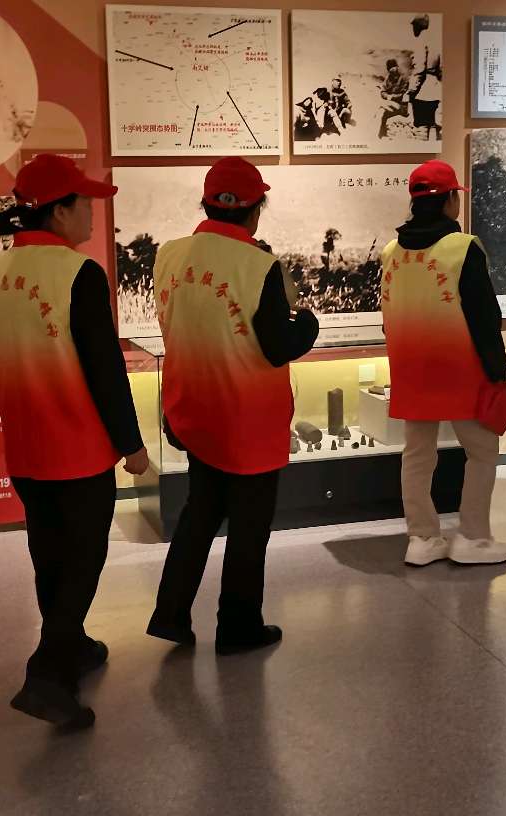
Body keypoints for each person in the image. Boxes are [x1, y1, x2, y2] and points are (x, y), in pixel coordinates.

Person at [0, 155, 148, 729]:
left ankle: (71, 644)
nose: (93, 214)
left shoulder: (0, 270)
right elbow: (105, 369)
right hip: (76, 448)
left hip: (25, 446)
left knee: (49, 555)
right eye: (86, 204)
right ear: (59, 211)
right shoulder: (78, 273)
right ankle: (47, 677)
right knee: (82, 560)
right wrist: (131, 444)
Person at [145, 158, 318, 654]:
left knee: (200, 511)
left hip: (192, 408)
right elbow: (278, 346)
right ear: (255, 209)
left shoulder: (169, 255)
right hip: (248, 419)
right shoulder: (259, 266)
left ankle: (170, 613)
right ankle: (238, 627)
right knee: (249, 525)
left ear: (207, 203)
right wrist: (308, 324)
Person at [382, 160, 506, 566]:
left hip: (410, 369)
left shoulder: (390, 253)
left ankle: (422, 538)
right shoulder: (463, 248)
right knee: (482, 451)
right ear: (450, 200)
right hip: (461, 369)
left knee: (417, 455)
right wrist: (500, 371)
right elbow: (484, 318)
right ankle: (472, 538)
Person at [378, 59, 412, 139]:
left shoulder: (403, 78)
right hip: (391, 105)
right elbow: (382, 91)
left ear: (397, 67)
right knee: (381, 111)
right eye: (390, 68)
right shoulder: (388, 78)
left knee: (381, 106)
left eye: (394, 67)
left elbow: (403, 94)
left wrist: (392, 97)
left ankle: (380, 134)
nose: (392, 69)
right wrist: (387, 96)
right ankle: (381, 134)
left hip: (402, 106)